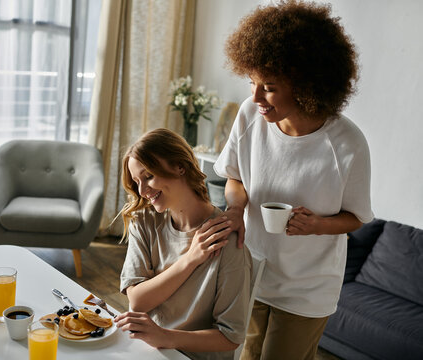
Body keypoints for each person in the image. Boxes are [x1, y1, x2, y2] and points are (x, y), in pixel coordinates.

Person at [214, 1, 374, 360]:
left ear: (305, 84)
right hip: (253, 272)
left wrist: (316, 224)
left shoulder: (347, 144)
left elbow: (357, 218)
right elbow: (234, 178)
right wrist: (236, 207)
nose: (255, 98)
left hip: (307, 289)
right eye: (252, 83)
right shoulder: (249, 115)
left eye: (268, 87)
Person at [115, 128, 252, 360]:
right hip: (151, 349)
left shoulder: (225, 239)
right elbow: (137, 301)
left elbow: (230, 337)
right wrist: (189, 260)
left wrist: (166, 337)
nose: (142, 190)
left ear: (180, 166)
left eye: (148, 176)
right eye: (137, 181)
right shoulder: (145, 222)